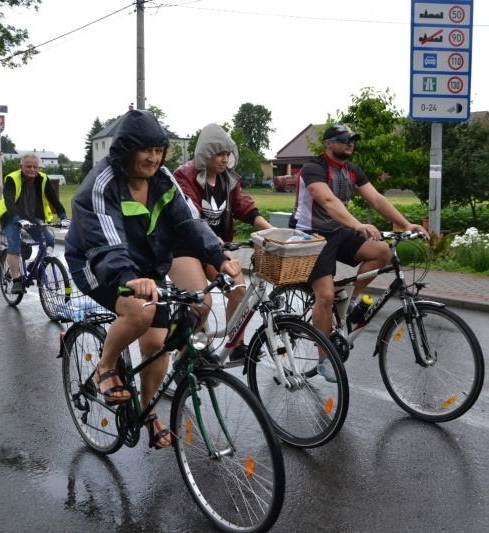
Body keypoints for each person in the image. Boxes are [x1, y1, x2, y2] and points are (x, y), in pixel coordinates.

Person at [64, 110, 241, 450]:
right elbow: (106, 243)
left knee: (158, 343)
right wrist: (129, 277)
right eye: (145, 150)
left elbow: (188, 220)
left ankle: (145, 412)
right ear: (126, 150)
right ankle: (105, 366)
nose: (153, 158)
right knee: (140, 311)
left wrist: (218, 258)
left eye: (158, 150)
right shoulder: (100, 185)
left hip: (145, 267)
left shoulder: (161, 179)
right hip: (96, 263)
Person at [290, 123, 429, 381]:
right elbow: (328, 201)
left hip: (337, 232)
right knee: (325, 295)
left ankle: (352, 301)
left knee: (382, 252)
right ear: (328, 144)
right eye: (343, 139)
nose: (349, 143)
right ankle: (324, 359)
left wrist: (407, 224)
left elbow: (376, 200)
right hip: (310, 236)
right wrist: (357, 224)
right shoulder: (314, 168)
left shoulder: (352, 170)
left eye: (352, 139)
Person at [171, 123, 272, 362]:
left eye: (228, 154)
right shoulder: (184, 176)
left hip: (214, 248)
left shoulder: (228, 181)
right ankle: (184, 356)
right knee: (201, 304)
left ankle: (236, 346)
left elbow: (244, 207)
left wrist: (274, 231)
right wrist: (210, 237)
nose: (225, 159)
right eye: (219, 153)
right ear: (205, 153)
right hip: (185, 248)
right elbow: (191, 213)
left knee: (239, 292)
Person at [0, 153, 70, 294]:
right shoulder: (12, 178)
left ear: (39, 168)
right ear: (21, 167)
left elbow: (53, 198)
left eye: (35, 167)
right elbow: (9, 200)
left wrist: (63, 216)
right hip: (11, 216)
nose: (32, 169)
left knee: (49, 240)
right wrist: (17, 219)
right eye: (28, 166)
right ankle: (16, 280)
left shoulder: (42, 178)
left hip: (31, 217)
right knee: (14, 244)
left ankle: (34, 266)